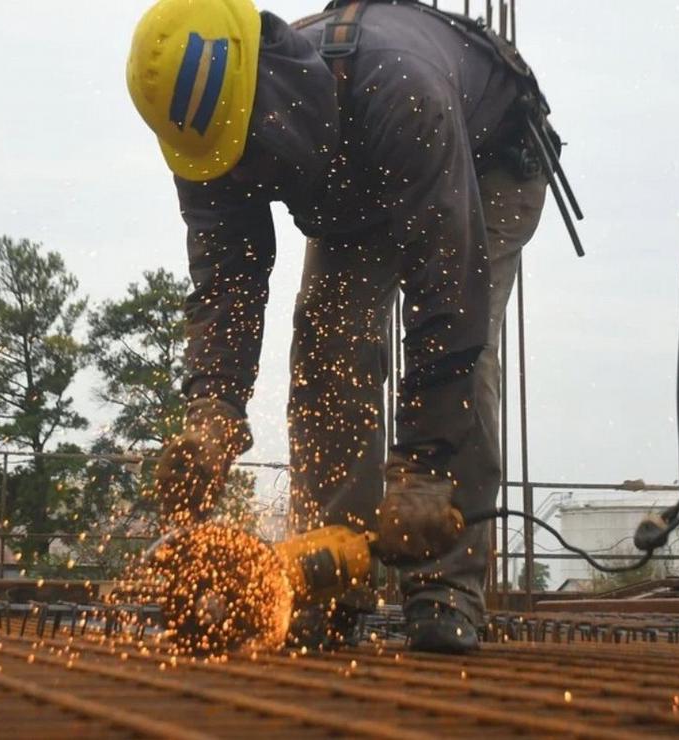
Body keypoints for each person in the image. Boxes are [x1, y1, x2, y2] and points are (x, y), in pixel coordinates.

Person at [128, 0, 558, 653]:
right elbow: (227, 283)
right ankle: (331, 577)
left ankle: (446, 585)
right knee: (327, 341)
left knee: (466, 362)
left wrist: (421, 466)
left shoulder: (399, 89)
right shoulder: (204, 133)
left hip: (484, 159)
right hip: (353, 176)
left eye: (244, 151)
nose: (238, 174)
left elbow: (450, 301)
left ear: (272, 90)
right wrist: (212, 408)